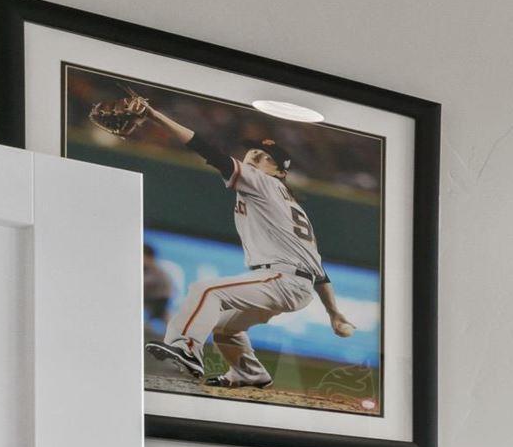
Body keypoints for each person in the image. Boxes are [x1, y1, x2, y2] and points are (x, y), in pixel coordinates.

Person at [95, 88, 355, 389]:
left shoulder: (262, 182)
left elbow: (208, 150)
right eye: (252, 152)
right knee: (224, 327)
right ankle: (250, 372)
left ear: (278, 172)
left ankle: (186, 348)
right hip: (295, 284)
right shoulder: (292, 206)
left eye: (264, 157)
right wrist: (334, 313)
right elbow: (319, 272)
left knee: (207, 291)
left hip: (282, 280)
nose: (254, 156)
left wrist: (156, 116)